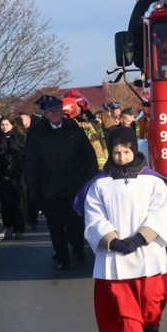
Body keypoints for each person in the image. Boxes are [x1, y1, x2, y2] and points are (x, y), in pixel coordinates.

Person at [83, 126, 167, 332]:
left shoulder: (152, 181)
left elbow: (162, 212)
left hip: (148, 252)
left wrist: (141, 238)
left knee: (153, 301)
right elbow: (94, 216)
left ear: (134, 150)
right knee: (123, 303)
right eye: (116, 152)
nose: (121, 157)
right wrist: (112, 240)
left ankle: (152, 331)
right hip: (115, 254)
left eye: (126, 151)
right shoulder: (99, 185)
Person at [25, 96, 99, 270]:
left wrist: (91, 179)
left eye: (58, 110)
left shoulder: (73, 129)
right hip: (50, 188)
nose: (56, 114)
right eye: (51, 111)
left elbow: (88, 156)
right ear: (45, 114)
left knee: (76, 223)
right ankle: (62, 256)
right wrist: (33, 188)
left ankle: (78, 248)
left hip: (75, 186)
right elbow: (31, 163)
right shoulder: (37, 133)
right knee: (56, 227)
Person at [0, 116, 27, 239]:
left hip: (18, 175)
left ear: (12, 125)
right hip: (3, 175)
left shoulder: (19, 138)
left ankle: (19, 228)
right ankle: (8, 226)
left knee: (18, 201)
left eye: (6, 124)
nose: (4, 127)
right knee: (6, 202)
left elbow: (24, 155)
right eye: (2, 125)